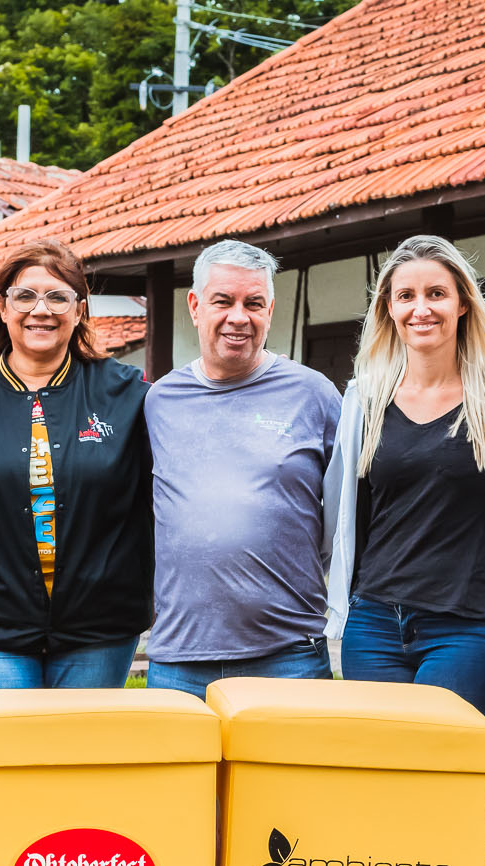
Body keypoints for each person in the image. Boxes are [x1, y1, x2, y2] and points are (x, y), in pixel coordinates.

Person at [323, 235, 485, 723]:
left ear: (463, 304)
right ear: (388, 308)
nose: (421, 309)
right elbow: (343, 509)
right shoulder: (363, 398)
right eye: (406, 296)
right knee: (382, 783)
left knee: (444, 781)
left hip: (472, 627)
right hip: (375, 625)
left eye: (436, 293)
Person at [0, 240, 153, 689]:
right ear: (2, 306)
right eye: (25, 296)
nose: (41, 310)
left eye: (58, 296)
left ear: (80, 309)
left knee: (76, 759)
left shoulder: (128, 394)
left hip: (99, 629)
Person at [143, 240, 341, 697]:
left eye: (253, 303)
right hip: (178, 658)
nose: (239, 317)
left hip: (289, 652)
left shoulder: (314, 395)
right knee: (182, 774)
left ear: (270, 310)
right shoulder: (160, 401)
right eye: (223, 301)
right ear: (195, 306)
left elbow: (352, 504)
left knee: (290, 773)